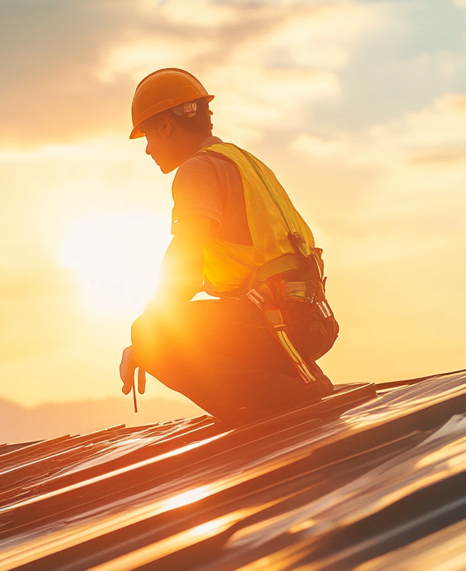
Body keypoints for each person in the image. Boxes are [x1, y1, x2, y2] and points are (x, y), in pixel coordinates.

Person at [118, 68, 339, 422]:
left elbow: (185, 263)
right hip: (313, 319)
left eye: (147, 134)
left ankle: (280, 403)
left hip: (278, 322)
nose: (147, 149)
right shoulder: (242, 160)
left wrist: (147, 339)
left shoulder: (197, 170)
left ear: (165, 126)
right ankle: (304, 381)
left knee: (148, 331)